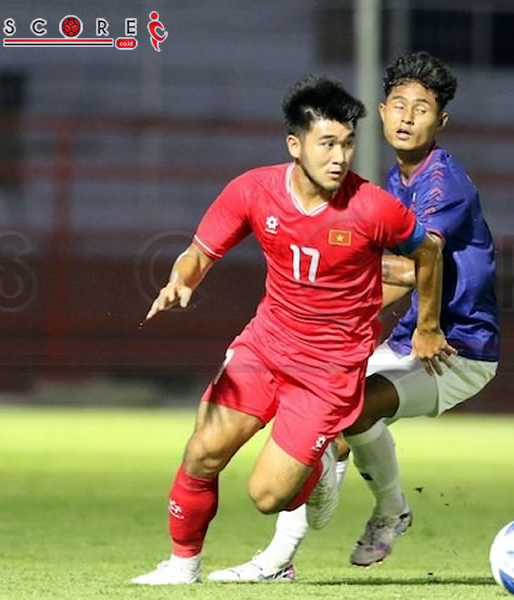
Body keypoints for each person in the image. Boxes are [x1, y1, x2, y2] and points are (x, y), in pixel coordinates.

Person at [132, 75, 453, 585]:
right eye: (327, 143)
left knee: (267, 498)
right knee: (203, 450)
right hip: (266, 346)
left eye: (348, 143)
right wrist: (180, 280)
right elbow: (201, 252)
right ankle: (181, 565)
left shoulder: (372, 207)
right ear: (295, 144)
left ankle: (317, 465)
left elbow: (428, 253)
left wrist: (428, 326)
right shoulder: (254, 190)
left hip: (328, 371)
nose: (339, 156)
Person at [209, 51, 500, 582]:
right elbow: (382, 276)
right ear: (384, 111)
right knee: (335, 413)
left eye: (423, 108)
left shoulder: (442, 186)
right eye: (398, 105)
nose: (408, 117)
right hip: (413, 340)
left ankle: (293, 553)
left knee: (342, 413)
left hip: (460, 348)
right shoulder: (395, 179)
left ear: (441, 121)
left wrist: (422, 325)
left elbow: (417, 265)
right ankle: (384, 509)